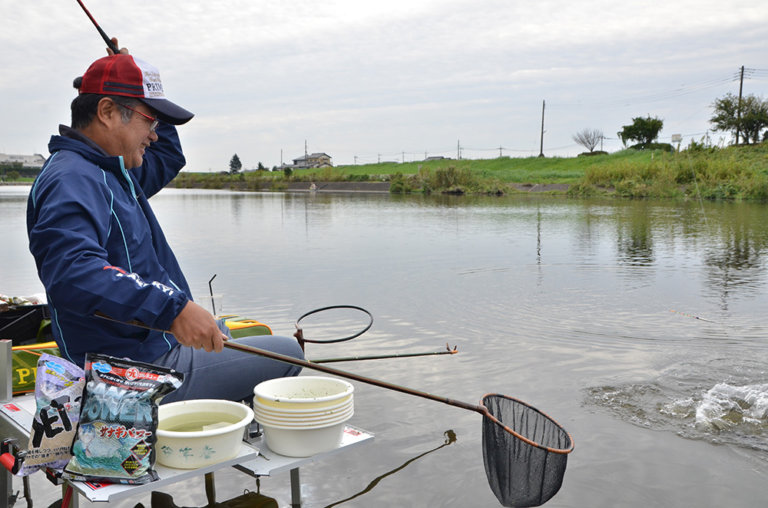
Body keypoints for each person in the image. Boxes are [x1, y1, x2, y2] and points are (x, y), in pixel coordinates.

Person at [26, 40, 304, 403]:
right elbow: (73, 275)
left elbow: (168, 154)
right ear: (107, 112)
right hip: (127, 373)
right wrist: (174, 310)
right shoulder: (73, 179)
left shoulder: (115, 172)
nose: (154, 134)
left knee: (219, 333)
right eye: (149, 120)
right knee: (288, 355)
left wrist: (145, 88)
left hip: (150, 348)